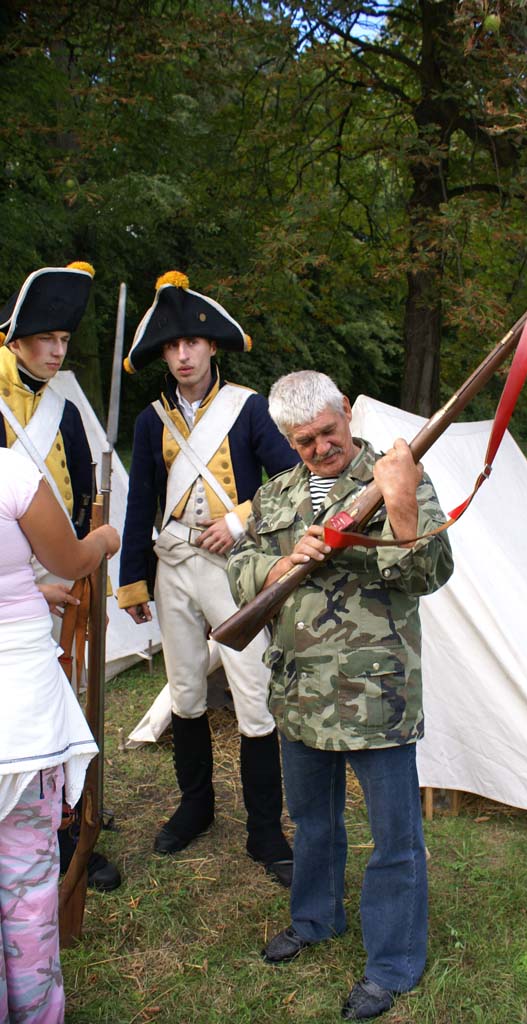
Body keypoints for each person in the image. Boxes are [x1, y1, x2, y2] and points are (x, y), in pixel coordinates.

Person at [227, 370, 454, 1021]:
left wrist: (401, 501)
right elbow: (238, 568)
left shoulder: (395, 475)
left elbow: (429, 572)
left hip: (375, 693)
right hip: (299, 692)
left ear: (346, 414)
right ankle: (314, 918)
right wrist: (278, 563)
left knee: (393, 839)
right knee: (314, 822)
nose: (320, 448)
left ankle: (391, 964)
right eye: (303, 442)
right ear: (286, 440)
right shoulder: (274, 494)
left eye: (328, 432)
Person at [117, 271, 299, 885]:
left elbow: (289, 481)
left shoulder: (247, 409)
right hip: (171, 566)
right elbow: (141, 501)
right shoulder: (151, 422)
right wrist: (133, 581)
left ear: (212, 346)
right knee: (186, 689)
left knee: (253, 694)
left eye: (192, 343)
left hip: (233, 568)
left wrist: (241, 519)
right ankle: (196, 806)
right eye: (171, 347)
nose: (183, 354)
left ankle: (265, 828)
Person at [0, 261, 122, 894]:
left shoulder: (64, 409)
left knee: (71, 701)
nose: (55, 352)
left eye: (64, 342)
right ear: (14, 338)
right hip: (13, 583)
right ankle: (45, 835)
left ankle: (71, 822)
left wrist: (80, 566)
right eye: (44, 339)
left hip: (62, 571)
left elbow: (79, 496)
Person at [0, 446, 119, 1023]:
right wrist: (104, 540)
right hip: (18, 716)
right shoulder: (11, 473)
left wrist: (22, 591)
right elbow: (71, 560)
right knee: (25, 891)